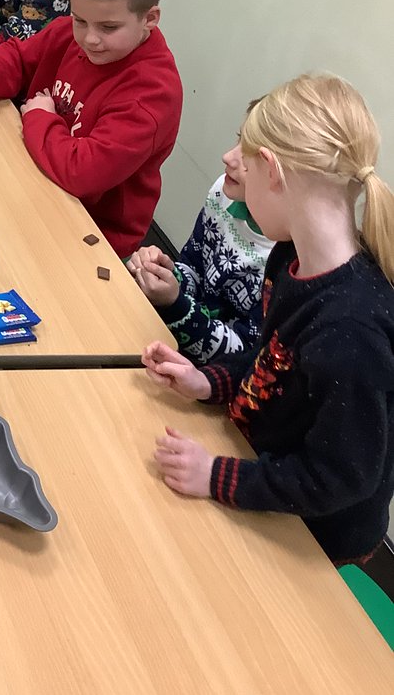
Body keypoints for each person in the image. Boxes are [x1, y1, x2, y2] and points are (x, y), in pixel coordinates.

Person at [143, 74, 394, 565]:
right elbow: (270, 361)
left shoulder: (350, 332)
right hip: (264, 474)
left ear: (273, 171)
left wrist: (215, 476)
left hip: (312, 533)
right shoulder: (289, 257)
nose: (230, 163)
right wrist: (210, 382)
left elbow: (338, 477)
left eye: (246, 162)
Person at [0, 0, 182, 257]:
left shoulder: (152, 93)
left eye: (108, 27)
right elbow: (21, 57)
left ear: (149, 19)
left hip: (93, 235)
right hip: (39, 177)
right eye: (80, 20)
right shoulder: (72, 33)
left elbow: (84, 173)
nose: (90, 39)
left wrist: (39, 117)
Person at [126, 101, 274, 362]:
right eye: (239, 139)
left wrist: (174, 304)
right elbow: (193, 267)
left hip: (209, 374)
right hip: (176, 339)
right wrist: (165, 272)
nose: (228, 157)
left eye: (250, 154)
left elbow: (241, 361)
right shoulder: (225, 193)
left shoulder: (283, 265)